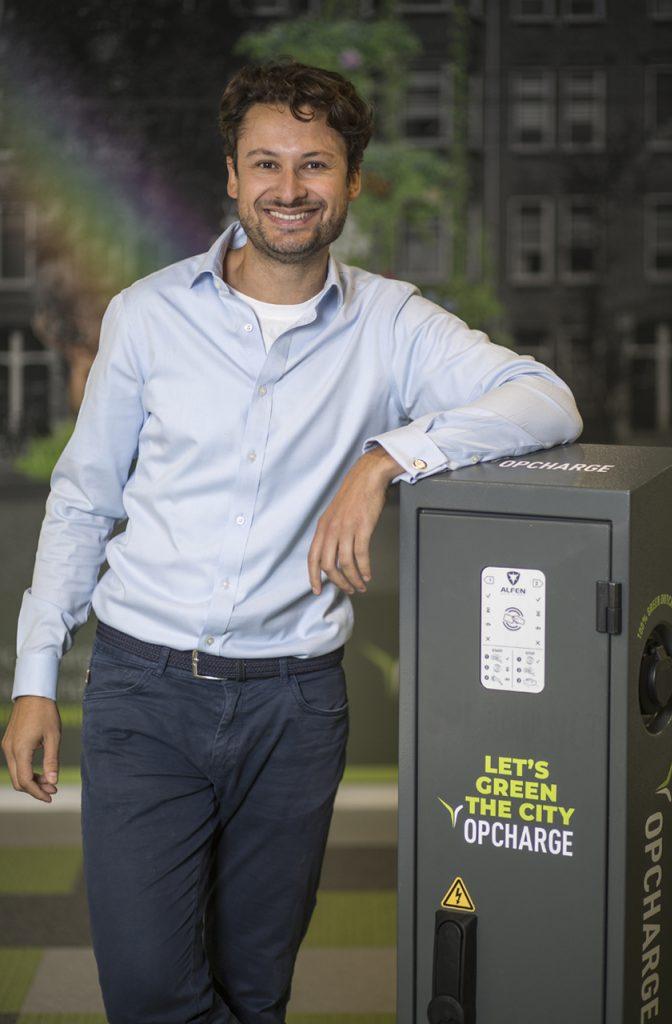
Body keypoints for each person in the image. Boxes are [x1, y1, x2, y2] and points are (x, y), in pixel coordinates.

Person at [1, 58, 582, 1024]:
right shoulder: (146, 316)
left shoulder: (392, 323)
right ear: (230, 176)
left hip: (295, 711)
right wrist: (32, 678)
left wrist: (386, 458)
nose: (289, 189)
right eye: (265, 164)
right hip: (145, 695)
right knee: (150, 989)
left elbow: (547, 401)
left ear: (351, 181)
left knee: (254, 989)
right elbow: (81, 501)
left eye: (315, 165)